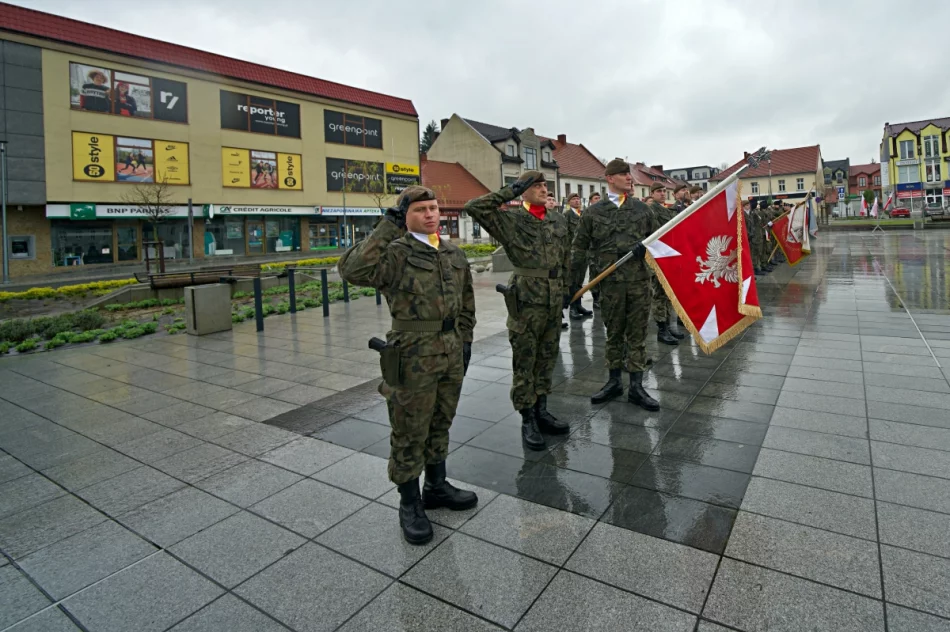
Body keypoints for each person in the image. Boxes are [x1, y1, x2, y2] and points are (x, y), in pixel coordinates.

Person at [338, 186, 477, 545]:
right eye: (420, 210)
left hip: (449, 350)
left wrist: (465, 341)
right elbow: (352, 270)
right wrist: (389, 225)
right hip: (413, 353)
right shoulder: (396, 254)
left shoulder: (453, 253)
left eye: (433, 208)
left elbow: (466, 303)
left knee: (440, 422)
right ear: (406, 215)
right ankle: (409, 503)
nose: (430, 215)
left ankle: (436, 486)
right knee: (409, 428)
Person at [464, 171, 571, 451]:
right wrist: (512, 189)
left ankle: (542, 410)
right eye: (535, 185)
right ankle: (527, 418)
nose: (542, 189)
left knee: (547, 358)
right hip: (526, 300)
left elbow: (566, 255)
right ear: (523, 190)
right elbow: (474, 207)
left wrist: (568, 289)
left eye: (544, 185)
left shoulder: (557, 219)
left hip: (553, 298)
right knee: (525, 360)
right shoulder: (510, 220)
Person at [571, 159, 661, 411]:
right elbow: (579, 247)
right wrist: (572, 284)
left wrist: (646, 249)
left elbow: (658, 243)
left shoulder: (643, 211)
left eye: (629, 174)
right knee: (613, 335)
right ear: (609, 178)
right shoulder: (593, 213)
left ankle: (636, 386)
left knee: (637, 335)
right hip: (609, 285)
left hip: (639, 283)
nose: (629, 178)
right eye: (623, 174)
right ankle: (613, 382)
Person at [647, 183, 683, 345]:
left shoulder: (666, 211)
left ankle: (668, 326)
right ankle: (662, 329)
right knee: (660, 295)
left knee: (668, 294)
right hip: (658, 258)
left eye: (664, 191)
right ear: (652, 194)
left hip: (669, 257)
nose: (662, 194)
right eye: (658, 191)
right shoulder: (651, 210)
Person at [563, 192, 593, 321]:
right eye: (573, 199)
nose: (577, 201)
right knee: (572, 282)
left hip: (584, 253)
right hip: (572, 254)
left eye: (578, 199)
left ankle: (579, 304)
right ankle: (573, 308)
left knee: (580, 281)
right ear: (569, 202)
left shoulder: (583, 214)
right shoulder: (567, 216)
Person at [587, 191, 603, 309]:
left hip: (602, 250)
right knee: (594, 274)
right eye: (595, 198)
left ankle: (601, 296)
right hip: (592, 250)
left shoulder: (604, 213)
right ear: (591, 201)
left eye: (599, 198)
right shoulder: (588, 213)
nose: (598, 200)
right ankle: (595, 298)